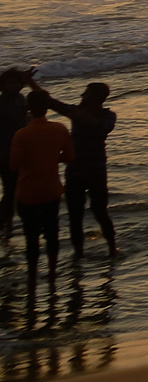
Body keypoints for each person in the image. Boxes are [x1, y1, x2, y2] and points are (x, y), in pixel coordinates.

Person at [12, 91, 71, 279]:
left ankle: (32, 275)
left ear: (28, 108)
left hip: (28, 192)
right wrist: (51, 159)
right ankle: (53, 272)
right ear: (47, 108)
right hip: (51, 190)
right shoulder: (60, 129)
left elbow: (14, 164)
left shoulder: (21, 134)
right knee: (51, 233)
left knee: (32, 237)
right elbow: (70, 157)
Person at [64, 81, 118, 257]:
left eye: (85, 93)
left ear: (94, 98)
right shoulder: (77, 112)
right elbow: (50, 102)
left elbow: (103, 128)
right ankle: (78, 252)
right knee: (75, 215)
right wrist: (31, 83)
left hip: (95, 170)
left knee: (100, 211)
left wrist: (81, 116)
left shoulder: (108, 116)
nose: (82, 96)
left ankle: (112, 248)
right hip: (75, 170)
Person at [0, 66, 27, 254]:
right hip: (3, 151)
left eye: (18, 82)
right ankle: (4, 223)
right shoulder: (1, 103)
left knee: (13, 189)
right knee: (10, 189)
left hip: (18, 149)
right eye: (11, 82)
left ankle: (8, 224)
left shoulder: (20, 99)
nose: (16, 86)